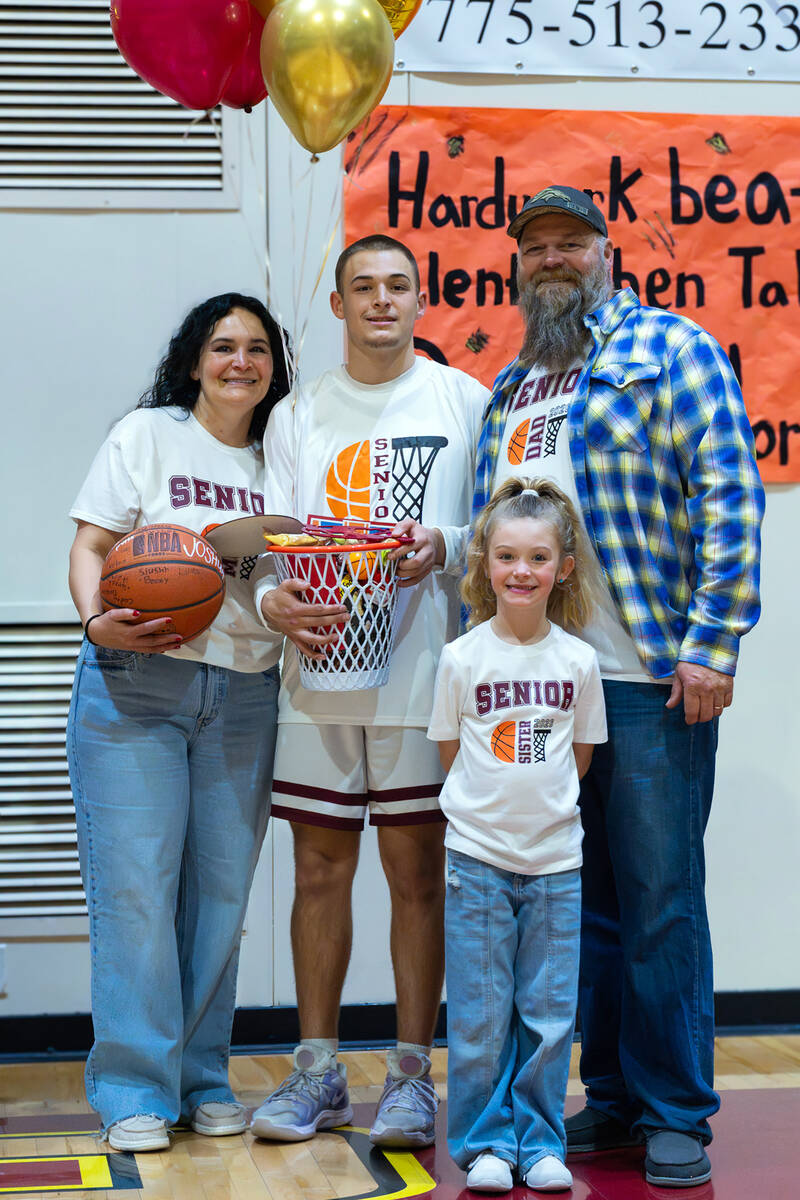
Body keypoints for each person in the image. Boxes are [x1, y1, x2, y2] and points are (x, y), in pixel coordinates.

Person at [473, 185, 765, 1188]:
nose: (551, 257)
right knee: (581, 903)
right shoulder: (512, 385)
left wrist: (712, 644)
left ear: (607, 253)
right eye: (535, 246)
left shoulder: (671, 351)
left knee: (658, 900)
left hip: (646, 678)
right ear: (518, 267)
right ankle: (612, 1096)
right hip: (543, 690)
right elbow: (490, 536)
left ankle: (676, 1109)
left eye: (570, 241)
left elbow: (728, 495)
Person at [249, 235, 489, 1146]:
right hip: (318, 673)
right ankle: (317, 1072)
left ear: (421, 300)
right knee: (318, 871)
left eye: (398, 285)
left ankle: (412, 1077)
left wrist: (449, 544)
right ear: (339, 305)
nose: (382, 300)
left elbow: (506, 520)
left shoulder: (464, 399)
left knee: (417, 874)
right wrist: (270, 599)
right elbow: (271, 539)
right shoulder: (298, 412)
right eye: (364, 287)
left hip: (423, 672)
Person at [66, 294, 292, 1152]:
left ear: (274, 367)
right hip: (138, 685)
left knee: (220, 901)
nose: (241, 361)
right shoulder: (148, 435)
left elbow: (275, 574)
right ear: (194, 361)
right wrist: (96, 622)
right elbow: (92, 546)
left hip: (244, 692)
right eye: (223, 346)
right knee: (136, 894)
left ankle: (202, 1078)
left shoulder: (283, 454)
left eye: (258, 348)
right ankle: (134, 1088)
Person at [428, 477, 607, 1194]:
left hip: (557, 863)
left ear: (563, 567)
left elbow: (579, 757)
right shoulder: (462, 658)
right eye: (507, 556)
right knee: (479, 1016)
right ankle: (486, 1145)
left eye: (538, 557)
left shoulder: (579, 662)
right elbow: (451, 752)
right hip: (477, 861)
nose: (521, 571)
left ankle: (540, 1142)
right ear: (484, 562)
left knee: (549, 1015)